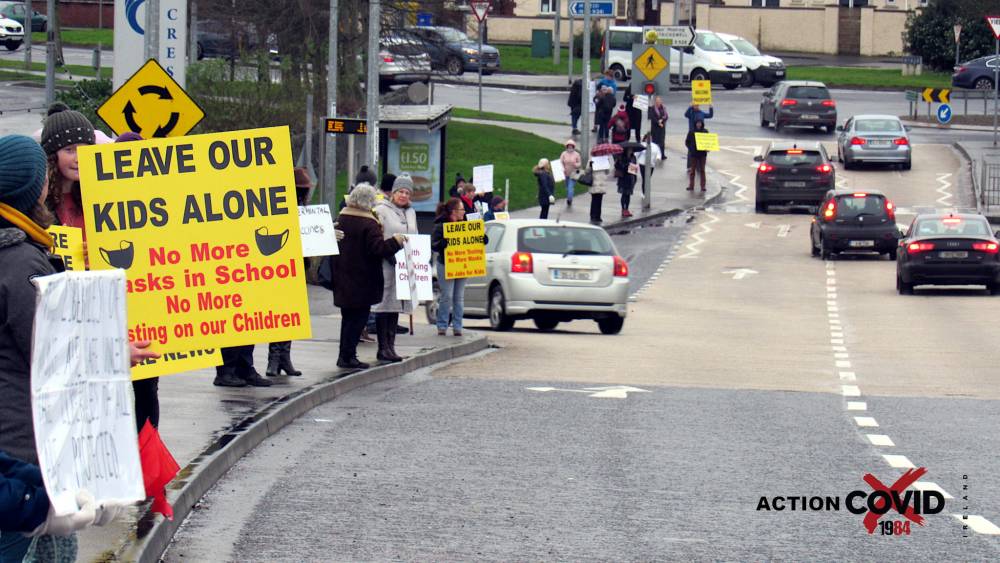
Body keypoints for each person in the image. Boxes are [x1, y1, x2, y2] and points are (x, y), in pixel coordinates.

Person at [0, 135, 149, 561]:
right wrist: (115, 356)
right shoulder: (20, 260)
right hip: (24, 448)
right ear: (35, 189)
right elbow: (51, 356)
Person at [331, 184, 406, 369]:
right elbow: (378, 249)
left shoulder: (343, 217)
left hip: (343, 276)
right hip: (362, 280)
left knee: (347, 319)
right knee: (358, 319)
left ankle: (345, 355)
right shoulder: (368, 222)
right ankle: (349, 357)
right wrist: (396, 241)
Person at [266, 167, 313, 378]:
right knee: (280, 313)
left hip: (296, 264)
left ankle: (282, 358)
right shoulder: (279, 208)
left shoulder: (303, 209)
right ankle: (275, 359)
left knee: (289, 314)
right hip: (280, 266)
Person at [372, 176, 419, 363]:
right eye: (401, 191)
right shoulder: (381, 210)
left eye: (407, 193)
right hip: (386, 263)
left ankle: (391, 346)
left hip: (403, 265)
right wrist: (388, 251)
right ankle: (382, 347)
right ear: (393, 192)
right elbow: (377, 235)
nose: (404, 195)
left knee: (396, 306)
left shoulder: (411, 213)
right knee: (384, 305)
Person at [431, 198, 472, 336]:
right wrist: (443, 243)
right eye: (462, 209)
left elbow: (472, 242)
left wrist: (482, 239)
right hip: (446, 264)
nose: (464, 212)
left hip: (461, 263)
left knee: (459, 297)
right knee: (447, 296)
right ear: (454, 211)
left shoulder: (465, 226)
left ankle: (457, 326)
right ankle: (442, 325)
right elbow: (434, 245)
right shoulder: (441, 226)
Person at [635, 133, 662, 199]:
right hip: (643, 164)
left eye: (650, 138)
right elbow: (637, 153)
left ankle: (646, 191)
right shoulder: (642, 145)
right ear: (645, 138)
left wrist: (658, 158)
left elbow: (658, 153)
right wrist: (635, 160)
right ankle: (644, 192)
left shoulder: (655, 146)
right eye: (648, 138)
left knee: (648, 178)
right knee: (645, 178)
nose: (649, 139)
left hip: (651, 164)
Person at [685, 120, 710, 192]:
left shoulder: (705, 131)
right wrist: (691, 149)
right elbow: (687, 142)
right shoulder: (692, 132)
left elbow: (709, 141)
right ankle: (691, 185)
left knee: (702, 170)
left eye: (700, 123)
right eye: (697, 123)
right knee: (692, 170)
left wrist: (708, 148)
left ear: (702, 124)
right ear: (695, 124)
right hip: (694, 154)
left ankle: (703, 186)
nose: (698, 124)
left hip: (702, 154)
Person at [559, 140, 581, 208]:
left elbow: (580, 163)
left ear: (573, 147)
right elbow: (560, 162)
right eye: (569, 146)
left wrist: (576, 165)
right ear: (567, 146)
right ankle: (569, 196)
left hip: (573, 174)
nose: (570, 148)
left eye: (571, 146)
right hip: (566, 173)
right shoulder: (563, 153)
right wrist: (562, 168)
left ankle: (569, 199)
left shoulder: (577, 154)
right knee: (567, 187)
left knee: (570, 187)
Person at [616, 152, 637, 218]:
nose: (630, 151)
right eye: (629, 149)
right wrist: (626, 164)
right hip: (623, 178)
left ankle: (627, 209)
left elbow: (634, 169)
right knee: (624, 194)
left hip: (630, 178)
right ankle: (623, 209)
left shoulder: (633, 157)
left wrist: (634, 177)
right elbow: (618, 167)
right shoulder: (621, 157)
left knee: (628, 195)